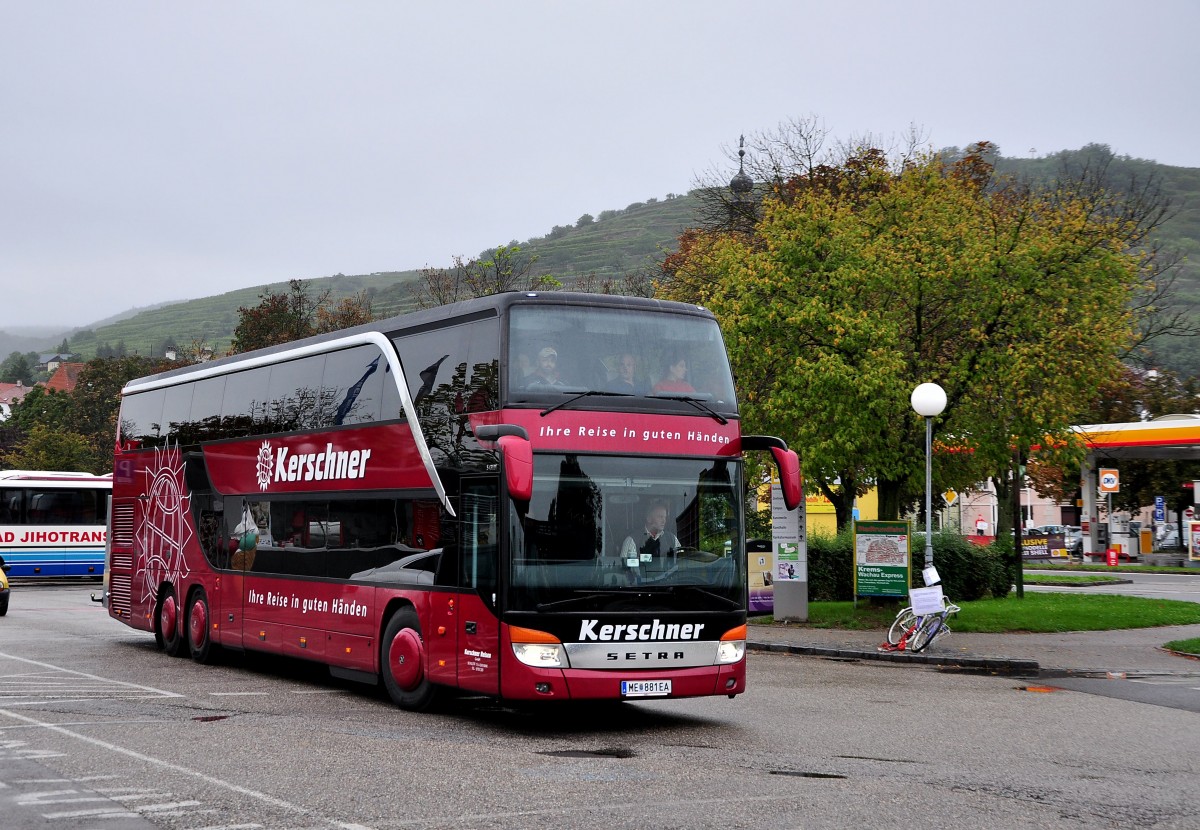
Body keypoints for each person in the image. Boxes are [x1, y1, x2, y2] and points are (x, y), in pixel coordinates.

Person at [621, 499, 681, 564]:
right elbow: (624, 568)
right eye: (660, 517)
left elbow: (681, 563)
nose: (664, 521)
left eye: (665, 517)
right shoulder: (632, 541)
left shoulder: (672, 539)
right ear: (649, 518)